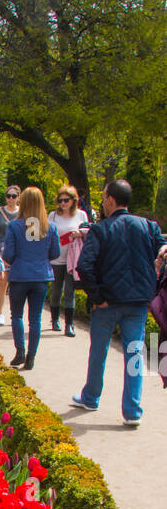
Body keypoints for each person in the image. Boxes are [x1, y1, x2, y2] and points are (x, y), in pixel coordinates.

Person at [71, 179, 167, 427]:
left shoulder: (101, 230)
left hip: (108, 303)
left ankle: (91, 397)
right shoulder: (149, 226)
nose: (102, 202)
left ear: (111, 200)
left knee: (98, 352)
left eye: (104, 198)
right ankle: (132, 411)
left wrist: (98, 297)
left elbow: (84, 266)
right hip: (138, 302)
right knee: (135, 355)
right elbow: (162, 248)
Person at [1, 186, 61, 370]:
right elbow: (55, 253)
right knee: (35, 319)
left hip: (20, 276)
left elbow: (8, 255)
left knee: (16, 315)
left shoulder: (15, 225)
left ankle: (20, 350)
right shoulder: (50, 227)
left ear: (23, 202)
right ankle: (31, 356)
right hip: (41, 276)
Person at [47, 186, 88, 336]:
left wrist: (80, 234)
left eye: (66, 200)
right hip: (57, 258)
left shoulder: (81, 215)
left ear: (73, 200)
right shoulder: (53, 216)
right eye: (60, 200)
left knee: (70, 291)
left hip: (73, 258)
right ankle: (55, 319)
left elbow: (88, 232)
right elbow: (47, 234)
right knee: (56, 289)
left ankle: (69, 324)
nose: (63, 203)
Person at [0, 186, 21, 325]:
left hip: (18, 252)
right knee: (2, 283)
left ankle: (16, 314)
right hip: (2, 251)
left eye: (14, 196)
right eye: (9, 196)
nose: (11, 199)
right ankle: (0, 313)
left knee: (18, 285)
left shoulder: (22, 212)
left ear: (18, 197)